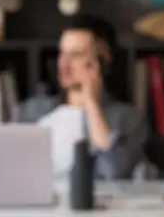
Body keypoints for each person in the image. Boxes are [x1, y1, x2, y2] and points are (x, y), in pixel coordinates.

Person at [16, 14, 148, 180]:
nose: (64, 64)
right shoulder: (32, 111)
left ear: (102, 60)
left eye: (76, 55)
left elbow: (112, 174)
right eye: (62, 53)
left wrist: (91, 103)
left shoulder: (128, 119)